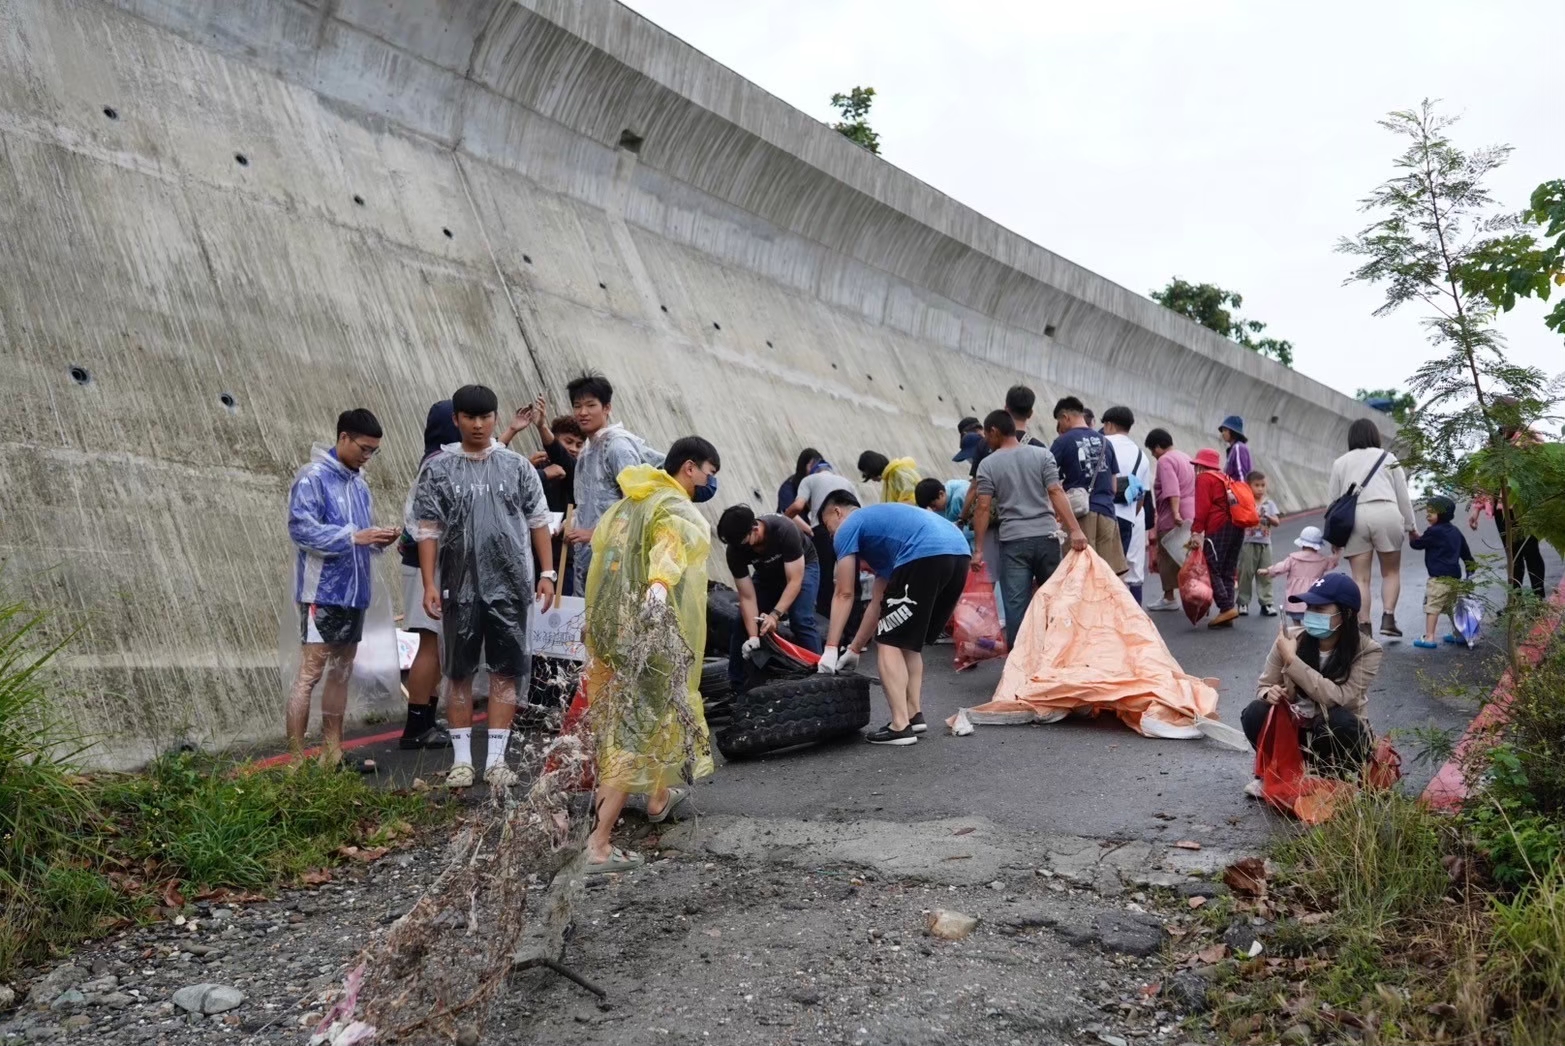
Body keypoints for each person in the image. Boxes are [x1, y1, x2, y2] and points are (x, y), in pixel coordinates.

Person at [582, 437, 721, 873]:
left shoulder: (627, 504)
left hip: (611, 626)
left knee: (644, 715)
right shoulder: (671, 506)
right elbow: (670, 545)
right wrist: (660, 586)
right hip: (648, 626)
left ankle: (659, 798)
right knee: (637, 725)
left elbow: (602, 558)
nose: (708, 482)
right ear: (689, 468)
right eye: (708, 473)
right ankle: (599, 845)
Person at [409, 384, 556, 789]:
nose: (477, 425)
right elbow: (427, 529)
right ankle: (461, 761)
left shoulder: (516, 467)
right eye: (469, 417)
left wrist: (547, 573)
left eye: (485, 417)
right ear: (455, 420)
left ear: (495, 417)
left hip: (510, 586)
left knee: (504, 672)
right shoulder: (438, 469)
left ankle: (495, 760)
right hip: (457, 586)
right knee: (457, 672)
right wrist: (429, 583)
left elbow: (538, 520)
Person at [286, 409, 400, 764]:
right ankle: (295, 757)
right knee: (309, 675)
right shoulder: (312, 478)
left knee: (341, 673)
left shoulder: (360, 485)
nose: (368, 457)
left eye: (374, 452)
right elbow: (300, 529)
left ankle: (332, 751)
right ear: (343, 438)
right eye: (364, 448)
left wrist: (379, 539)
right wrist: (353, 536)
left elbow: (360, 538)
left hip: (355, 593)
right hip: (321, 592)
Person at [816, 491, 971, 746]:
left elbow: (844, 592)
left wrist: (831, 648)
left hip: (926, 553)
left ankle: (900, 726)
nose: (830, 534)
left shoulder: (849, 526)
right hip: (958, 553)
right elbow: (879, 604)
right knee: (904, 639)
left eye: (827, 526)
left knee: (888, 641)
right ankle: (913, 714)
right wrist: (854, 649)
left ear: (837, 512)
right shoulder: (890, 539)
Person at [1240, 574, 1381, 793]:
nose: (1311, 614)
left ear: (1346, 613)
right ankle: (1275, 772)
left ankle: (1334, 778)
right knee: (1255, 711)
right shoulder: (1290, 640)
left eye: (1321, 609)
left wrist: (1292, 661)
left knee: (1339, 720)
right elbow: (1263, 686)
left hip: (1338, 737)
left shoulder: (1367, 650)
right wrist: (1271, 693)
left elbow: (1338, 698)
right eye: (1310, 607)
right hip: (1298, 733)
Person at [970, 410, 1087, 647]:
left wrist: (979, 549)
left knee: (1016, 606)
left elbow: (982, 508)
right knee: (1055, 599)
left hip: (1014, 542)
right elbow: (1056, 491)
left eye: (987, 436)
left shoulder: (988, 465)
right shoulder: (1042, 455)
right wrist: (1075, 529)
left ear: (993, 431)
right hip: (1047, 537)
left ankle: (1020, 664)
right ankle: (1059, 655)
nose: (986, 442)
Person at [395, 401, 461, 750]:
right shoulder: (441, 466)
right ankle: (417, 726)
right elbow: (431, 525)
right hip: (427, 565)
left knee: (435, 644)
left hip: (424, 563)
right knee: (430, 643)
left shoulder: (433, 460)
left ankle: (425, 721)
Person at [565, 373, 661, 595]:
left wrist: (595, 534)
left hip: (615, 562)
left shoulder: (618, 447)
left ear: (607, 408)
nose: (583, 412)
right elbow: (588, 502)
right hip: (588, 562)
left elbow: (636, 506)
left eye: (591, 405)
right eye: (577, 406)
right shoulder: (587, 450)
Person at [1327, 418, 1417, 638]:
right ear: (1375, 436)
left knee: (1360, 578)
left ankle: (1364, 626)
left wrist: (1334, 539)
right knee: (1391, 572)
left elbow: (1333, 502)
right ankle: (1388, 618)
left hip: (1354, 517)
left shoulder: (1341, 462)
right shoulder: (1389, 458)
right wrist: (1411, 526)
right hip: (1386, 511)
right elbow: (1403, 496)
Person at [716, 504, 823, 688]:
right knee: (742, 621)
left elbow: (794, 581)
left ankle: (822, 677)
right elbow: (747, 597)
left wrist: (775, 615)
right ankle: (738, 686)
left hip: (802, 568)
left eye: (742, 542)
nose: (739, 548)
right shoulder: (735, 550)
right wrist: (753, 637)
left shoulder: (783, 530)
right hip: (767, 573)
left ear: (755, 528)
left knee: (801, 619)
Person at [1049, 396, 1128, 575]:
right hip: (1107, 514)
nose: (1060, 428)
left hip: (1079, 515)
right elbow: (1114, 487)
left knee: (1078, 574)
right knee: (1106, 576)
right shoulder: (1106, 442)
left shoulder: (1062, 442)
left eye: (1059, 422)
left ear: (1065, 417)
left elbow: (1048, 481)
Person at [785, 459, 858, 616]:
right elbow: (859, 509)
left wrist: (783, 518)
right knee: (851, 581)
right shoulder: (847, 482)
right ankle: (852, 627)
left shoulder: (809, 479)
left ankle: (824, 622)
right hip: (850, 529)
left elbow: (798, 506)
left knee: (823, 579)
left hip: (822, 530)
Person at [1101, 406, 1155, 605]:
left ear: (1109, 424)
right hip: (1126, 519)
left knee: (1097, 573)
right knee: (1119, 572)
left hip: (1100, 514)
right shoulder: (1142, 456)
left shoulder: (1102, 444)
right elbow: (1142, 497)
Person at [1411, 496, 1477, 649]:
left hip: (1438, 579)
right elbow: (1466, 553)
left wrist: (1412, 534)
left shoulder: (1433, 531)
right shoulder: (1455, 532)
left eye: (1431, 513)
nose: (1427, 515)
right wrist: (1470, 571)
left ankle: (1429, 637)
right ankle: (1460, 634)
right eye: (1427, 512)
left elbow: (1417, 544)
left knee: (1432, 607)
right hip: (1455, 578)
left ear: (1441, 514)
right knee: (1453, 608)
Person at [1188, 447, 1244, 627]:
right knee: (1228, 568)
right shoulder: (1226, 478)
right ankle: (1227, 612)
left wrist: (1196, 531)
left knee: (1212, 565)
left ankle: (1226, 607)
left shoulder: (1204, 478)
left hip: (1218, 526)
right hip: (1237, 526)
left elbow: (1202, 508)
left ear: (1200, 465)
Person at [1143, 428, 1196, 612]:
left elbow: (1172, 489)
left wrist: (1175, 514)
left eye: (1152, 450)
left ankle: (1169, 597)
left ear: (1158, 446)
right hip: (1191, 512)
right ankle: (1195, 594)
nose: (1153, 455)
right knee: (1188, 554)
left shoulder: (1166, 460)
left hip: (1173, 516)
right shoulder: (1185, 457)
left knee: (1167, 555)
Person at [1259, 526, 1339, 625]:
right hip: (1313, 599)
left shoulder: (1293, 558)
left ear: (1302, 544)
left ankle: (1298, 636)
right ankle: (1309, 637)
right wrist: (1336, 552)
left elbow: (1281, 567)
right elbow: (1332, 562)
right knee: (1311, 623)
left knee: (1296, 624)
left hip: (1295, 599)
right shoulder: (1322, 560)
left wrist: (1268, 570)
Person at [1236, 470, 1282, 617]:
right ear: (1249, 486)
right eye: (1257, 485)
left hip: (1265, 543)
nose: (1261, 489)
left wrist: (1267, 516)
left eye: (1263, 485)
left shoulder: (1269, 503)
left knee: (1266, 573)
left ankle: (1267, 603)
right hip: (1248, 542)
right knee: (1245, 573)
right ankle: (1243, 603)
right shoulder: (1245, 502)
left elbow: (1276, 522)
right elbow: (1239, 519)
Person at [914, 476, 973, 546]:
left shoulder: (961, 497)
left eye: (934, 506)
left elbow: (975, 528)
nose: (933, 510)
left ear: (941, 494)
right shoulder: (940, 499)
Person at [778, 448, 823, 515]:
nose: (815, 471)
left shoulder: (818, 488)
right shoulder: (788, 488)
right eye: (812, 466)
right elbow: (788, 513)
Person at [1218, 415, 1253, 483]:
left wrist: (1241, 492)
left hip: (1238, 490)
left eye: (1225, 430)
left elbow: (1242, 474)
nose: (1223, 433)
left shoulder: (1238, 447)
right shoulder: (1235, 448)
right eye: (1222, 431)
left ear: (1233, 432)